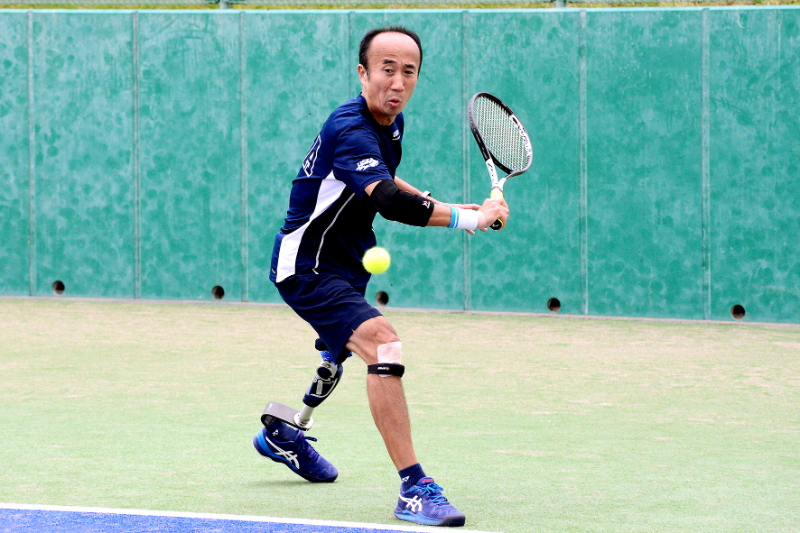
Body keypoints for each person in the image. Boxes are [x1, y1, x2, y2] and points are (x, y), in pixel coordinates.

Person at [252, 26, 509, 528]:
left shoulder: (390, 123)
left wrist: (458, 207)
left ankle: (285, 434)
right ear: (363, 73)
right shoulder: (350, 128)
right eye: (386, 69)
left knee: (340, 351)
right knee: (383, 344)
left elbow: (388, 182)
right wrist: (467, 220)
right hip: (307, 267)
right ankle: (414, 487)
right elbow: (390, 203)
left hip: (347, 260)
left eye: (408, 71)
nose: (397, 81)